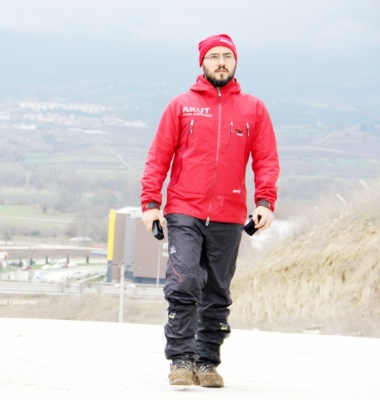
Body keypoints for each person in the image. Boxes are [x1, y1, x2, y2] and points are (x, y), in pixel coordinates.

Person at [140, 34, 279, 388]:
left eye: (227, 57)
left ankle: (206, 362)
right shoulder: (181, 105)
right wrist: (151, 204)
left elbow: (266, 159)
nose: (221, 62)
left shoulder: (253, 109)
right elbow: (159, 156)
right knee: (184, 280)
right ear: (201, 63)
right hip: (185, 209)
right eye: (214, 56)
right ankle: (181, 359)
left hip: (229, 215)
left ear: (235, 63)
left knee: (217, 292)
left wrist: (265, 201)